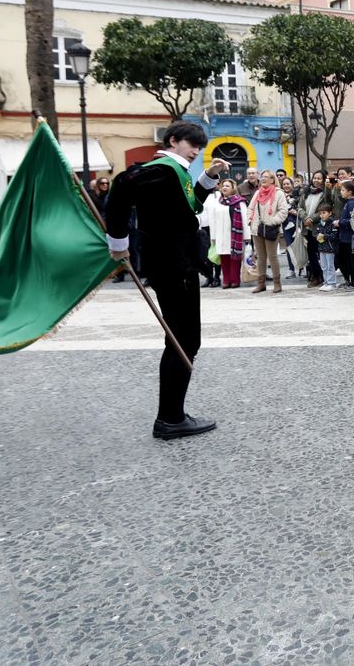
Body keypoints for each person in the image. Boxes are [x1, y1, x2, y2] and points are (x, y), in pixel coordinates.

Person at [104, 120, 228, 440]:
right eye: (192, 145)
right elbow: (120, 188)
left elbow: (188, 207)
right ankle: (170, 418)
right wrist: (118, 243)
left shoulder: (175, 172)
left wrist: (209, 176)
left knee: (183, 339)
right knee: (184, 340)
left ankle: (172, 413)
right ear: (173, 141)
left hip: (175, 263)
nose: (197, 152)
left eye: (200, 147)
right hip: (173, 264)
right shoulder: (161, 170)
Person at [245, 170, 287, 294]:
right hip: (257, 229)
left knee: (272, 257)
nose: (263, 179)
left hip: (271, 229)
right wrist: (250, 220)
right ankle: (261, 284)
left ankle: (277, 283)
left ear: (272, 180)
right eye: (262, 177)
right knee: (260, 257)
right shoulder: (258, 193)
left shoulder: (279, 193)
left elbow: (283, 211)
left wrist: (272, 221)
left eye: (266, 177)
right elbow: (250, 208)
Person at [204, 178, 246, 289]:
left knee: (235, 259)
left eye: (227, 186)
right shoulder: (217, 203)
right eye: (223, 186)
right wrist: (213, 237)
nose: (224, 187)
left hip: (235, 236)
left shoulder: (239, 201)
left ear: (233, 188)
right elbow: (212, 221)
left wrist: (247, 236)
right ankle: (226, 280)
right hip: (221, 236)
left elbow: (245, 220)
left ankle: (235, 280)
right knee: (224, 259)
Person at [301, 171, 328, 287]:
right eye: (315, 178)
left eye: (319, 178)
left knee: (321, 252)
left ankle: (324, 276)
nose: (316, 180)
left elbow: (325, 208)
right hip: (307, 228)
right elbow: (299, 207)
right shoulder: (305, 192)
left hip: (319, 227)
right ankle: (315, 276)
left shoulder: (324, 193)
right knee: (311, 253)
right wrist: (304, 218)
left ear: (323, 180)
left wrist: (311, 219)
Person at [335, 179, 354, 289]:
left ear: (350, 192)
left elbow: (352, 220)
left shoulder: (352, 204)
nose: (341, 192)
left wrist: (339, 222)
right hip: (344, 237)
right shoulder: (347, 203)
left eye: (343, 190)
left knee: (353, 261)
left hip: (350, 237)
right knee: (344, 260)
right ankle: (349, 280)